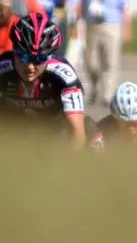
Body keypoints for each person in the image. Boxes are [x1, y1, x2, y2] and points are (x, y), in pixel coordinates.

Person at [0, 13, 86, 148]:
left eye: (38, 60)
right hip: (13, 136)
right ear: (13, 51)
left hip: (53, 137)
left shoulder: (64, 75)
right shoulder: (3, 70)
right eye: (23, 57)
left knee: (91, 129)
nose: (30, 67)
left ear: (49, 57)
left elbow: (78, 135)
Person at [76, 0, 130, 107]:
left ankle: (108, 94)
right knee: (90, 60)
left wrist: (127, 29)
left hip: (111, 25)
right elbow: (80, 5)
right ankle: (94, 86)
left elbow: (124, 9)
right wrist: (77, 23)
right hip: (92, 25)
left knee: (110, 62)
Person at [90, 82, 137, 150]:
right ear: (115, 119)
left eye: (135, 124)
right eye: (126, 124)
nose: (131, 130)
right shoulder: (102, 132)